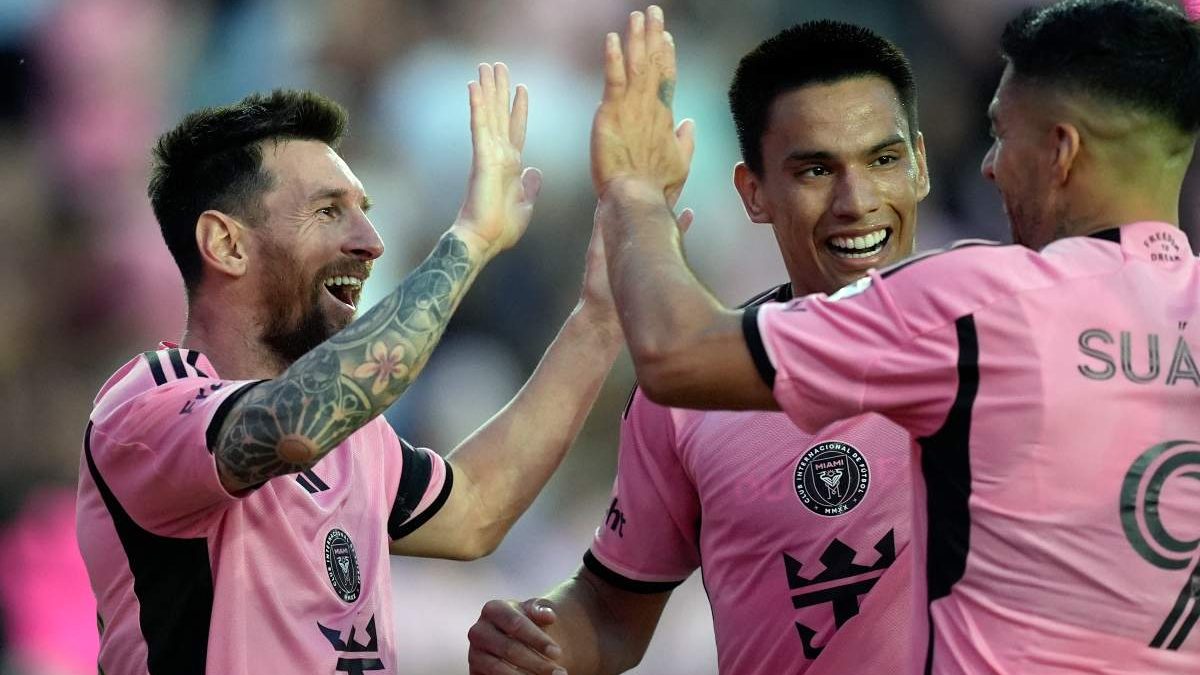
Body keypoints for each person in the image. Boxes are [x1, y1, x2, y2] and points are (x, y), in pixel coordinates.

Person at [590, 1, 1200, 673]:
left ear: (1061, 150)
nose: (991, 165)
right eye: (817, 169)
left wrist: (633, 189)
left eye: (1001, 134)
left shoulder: (977, 302)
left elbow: (676, 353)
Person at [76, 64, 624, 674]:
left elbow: (473, 510)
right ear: (227, 244)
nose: (370, 240)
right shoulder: (146, 411)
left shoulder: (357, 435)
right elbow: (297, 426)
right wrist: (470, 239)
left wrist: (599, 319)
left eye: (363, 209)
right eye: (329, 211)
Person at [467, 18, 929, 675]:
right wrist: (535, 641)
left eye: (883, 160)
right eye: (816, 169)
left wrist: (633, 198)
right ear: (754, 193)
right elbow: (609, 612)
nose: (857, 200)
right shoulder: (690, 397)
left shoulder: (1004, 333)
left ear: (921, 166)